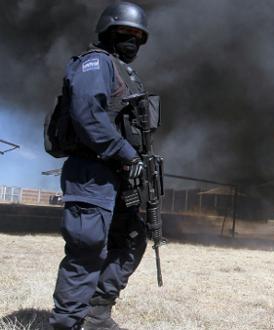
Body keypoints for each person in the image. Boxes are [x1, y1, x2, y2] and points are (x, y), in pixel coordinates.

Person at [49, 2, 151, 329]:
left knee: (133, 240)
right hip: (91, 171)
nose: (131, 41)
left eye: (138, 36)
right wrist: (126, 153)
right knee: (87, 249)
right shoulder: (96, 63)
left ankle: (96, 313)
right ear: (107, 32)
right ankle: (66, 323)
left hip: (119, 175)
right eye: (124, 33)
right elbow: (87, 116)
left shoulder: (125, 73)